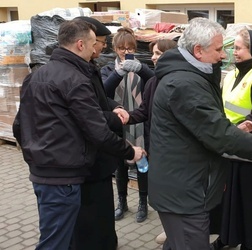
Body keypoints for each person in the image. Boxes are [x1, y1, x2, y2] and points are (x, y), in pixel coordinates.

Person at [148, 17, 252, 250]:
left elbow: (209, 127)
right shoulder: (185, 84)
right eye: (218, 50)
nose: (224, 55)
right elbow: (219, 134)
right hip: (184, 194)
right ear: (198, 51)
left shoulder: (191, 75)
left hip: (185, 186)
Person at [12, 19, 144, 250]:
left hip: (42, 173)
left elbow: (19, 125)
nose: (98, 48)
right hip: (64, 176)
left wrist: (36, 154)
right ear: (81, 44)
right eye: (95, 43)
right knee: (55, 242)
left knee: (58, 235)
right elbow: (97, 132)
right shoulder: (74, 79)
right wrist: (130, 151)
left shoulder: (37, 74)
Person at [210, 28, 252, 250]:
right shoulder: (232, 74)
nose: (234, 53)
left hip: (249, 151)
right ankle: (227, 238)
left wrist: (233, 131)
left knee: (247, 202)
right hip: (229, 147)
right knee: (228, 201)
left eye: (238, 48)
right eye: (233, 48)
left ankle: (247, 243)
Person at [70, 16, 129, 250]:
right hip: (86, 162)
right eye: (100, 42)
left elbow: (98, 99)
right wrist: (113, 117)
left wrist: (113, 105)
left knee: (102, 214)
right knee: (89, 218)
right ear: (84, 41)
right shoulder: (74, 74)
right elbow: (87, 116)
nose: (102, 46)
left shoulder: (87, 66)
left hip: (98, 163)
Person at [117, 39, 177, 232]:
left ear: (169, 55)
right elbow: (143, 111)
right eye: (153, 53)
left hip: (174, 150)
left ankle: (176, 234)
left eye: (158, 53)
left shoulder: (177, 81)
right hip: (156, 147)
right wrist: (127, 117)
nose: (153, 57)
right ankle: (169, 231)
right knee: (163, 194)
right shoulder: (151, 82)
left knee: (174, 193)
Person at [101, 27, 155, 222]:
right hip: (117, 124)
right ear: (115, 48)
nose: (126, 51)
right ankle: (122, 202)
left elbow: (155, 82)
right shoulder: (108, 69)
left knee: (141, 161)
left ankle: (143, 203)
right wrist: (118, 73)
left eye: (130, 47)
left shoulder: (142, 68)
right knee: (120, 165)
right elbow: (103, 92)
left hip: (139, 123)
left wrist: (141, 69)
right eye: (122, 48)